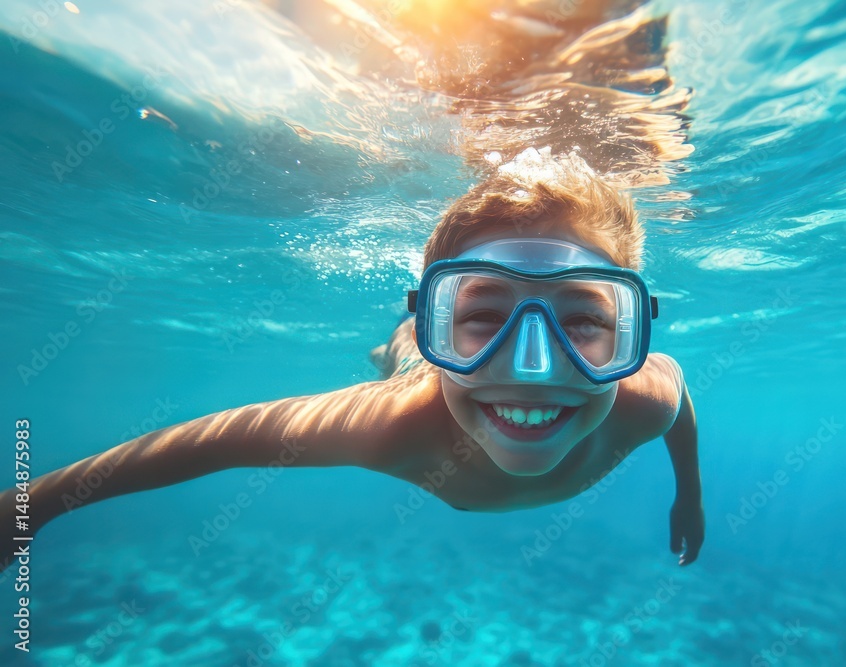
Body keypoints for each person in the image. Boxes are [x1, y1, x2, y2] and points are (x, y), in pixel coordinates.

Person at [1, 148, 703, 571]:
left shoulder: (648, 395)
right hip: (421, 377)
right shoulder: (391, 423)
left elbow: (683, 413)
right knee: (402, 366)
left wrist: (690, 495)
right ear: (438, 321)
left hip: (446, 377)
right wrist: (31, 504)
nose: (533, 365)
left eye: (582, 319)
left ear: (632, 331)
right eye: (482, 315)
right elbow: (209, 444)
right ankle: (401, 342)